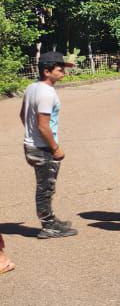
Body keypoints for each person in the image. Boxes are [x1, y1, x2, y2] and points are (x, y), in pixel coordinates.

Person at [19, 52, 77, 239]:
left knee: (46, 186)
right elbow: (43, 125)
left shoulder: (31, 87)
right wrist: (55, 148)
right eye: (60, 70)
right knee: (45, 188)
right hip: (42, 148)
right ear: (47, 71)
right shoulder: (46, 92)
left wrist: (31, 135)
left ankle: (51, 219)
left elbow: (23, 115)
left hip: (33, 144)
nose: (64, 73)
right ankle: (48, 226)